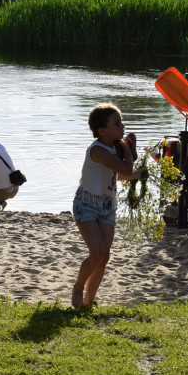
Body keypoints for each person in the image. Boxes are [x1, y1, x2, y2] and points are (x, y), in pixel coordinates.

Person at [70, 103, 146, 308]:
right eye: (117, 123)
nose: (123, 126)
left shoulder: (112, 148)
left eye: (121, 122)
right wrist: (128, 149)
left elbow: (116, 173)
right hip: (86, 204)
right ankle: (78, 287)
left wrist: (136, 176)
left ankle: (88, 302)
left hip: (107, 206)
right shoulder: (98, 150)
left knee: (104, 256)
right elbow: (125, 166)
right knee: (97, 253)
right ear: (102, 131)